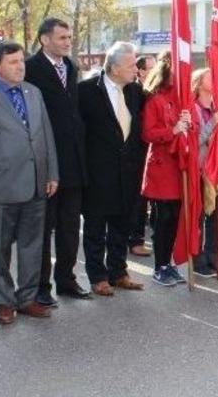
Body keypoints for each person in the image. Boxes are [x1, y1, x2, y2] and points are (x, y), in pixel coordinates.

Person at [0, 41, 59, 325]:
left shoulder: (33, 92)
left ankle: (27, 298)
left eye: (21, 61)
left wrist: (52, 173)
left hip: (36, 183)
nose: (21, 66)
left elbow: (46, 135)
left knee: (33, 246)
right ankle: (4, 301)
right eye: (13, 62)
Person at [25, 17, 90, 305]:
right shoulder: (30, 68)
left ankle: (66, 279)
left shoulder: (71, 67)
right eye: (62, 37)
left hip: (73, 162)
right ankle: (40, 287)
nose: (67, 42)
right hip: (44, 161)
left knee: (69, 226)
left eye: (69, 37)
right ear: (44, 39)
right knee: (43, 228)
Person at [78, 42, 146, 296]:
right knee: (95, 228)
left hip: (127, 172)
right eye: (131, 65)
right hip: (97, 173)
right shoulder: (86, 91)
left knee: (121, 224)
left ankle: (118, 272)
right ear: (115, 68)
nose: (136, 69)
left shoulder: (135, 92)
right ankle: (98, 276)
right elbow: (79, 134)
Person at [141, 52, 193, 286]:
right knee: (163, 219)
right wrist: (172, 131)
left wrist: (188, 124)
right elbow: (148, 133)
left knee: (173, 219)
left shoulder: (180, 100)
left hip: (177, 166)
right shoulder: (154, 99)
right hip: (162, 169)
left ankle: (167, 263)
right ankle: (159, 265)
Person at [191, 68, 218, 277]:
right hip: (200, 169)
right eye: (210, 77)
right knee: (198, 218)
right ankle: (198, 261)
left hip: (216, 169)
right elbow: (194, 141)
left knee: (215, 217)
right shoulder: (193, 108)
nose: (215, 80)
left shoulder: (217, 106)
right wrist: (213, 123)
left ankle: (213, 257)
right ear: (198, 82)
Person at [128, 54, 157, 257]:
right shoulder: (135, 91)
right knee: (137, 199)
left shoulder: (152, 92)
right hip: (136, 153)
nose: (155, 71)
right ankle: (135, 239)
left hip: (151, 152)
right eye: (151, 68)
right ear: (140, 71)